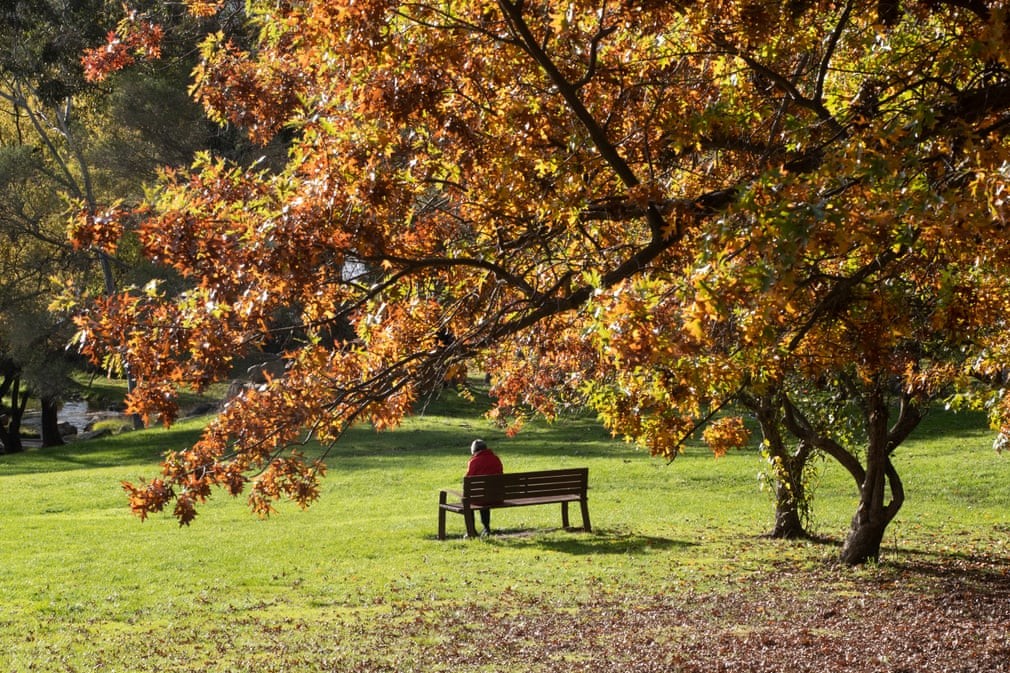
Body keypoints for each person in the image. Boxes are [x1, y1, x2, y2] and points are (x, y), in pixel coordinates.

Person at [466, 438, 503, 535]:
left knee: (468, 501)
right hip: (497, 497)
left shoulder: (474, 462)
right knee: (485, 495)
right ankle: (487, 528)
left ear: (474, 451)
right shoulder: (496, 459)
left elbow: (468, 480)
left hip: (481, 498)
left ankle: (471, 531)